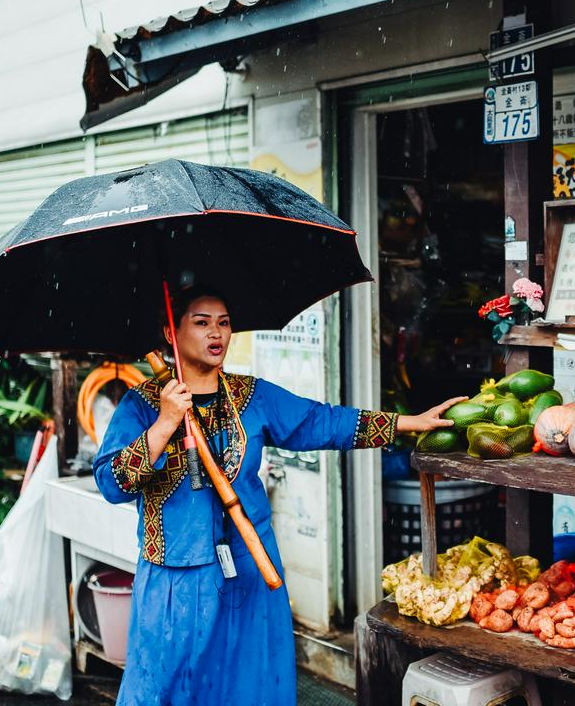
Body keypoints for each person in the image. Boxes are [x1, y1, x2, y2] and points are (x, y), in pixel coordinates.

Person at [93, 285, 462, 706]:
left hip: (252, 569)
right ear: (170, 333)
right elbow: (111, 484)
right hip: (176, 577)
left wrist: (408, 423)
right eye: (201, 322)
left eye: (224, 322)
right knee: (168, 689)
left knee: (249, 688)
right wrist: (165, 422)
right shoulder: (141, 406)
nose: (216, 333)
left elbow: (321, 422)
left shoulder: (252, 397)